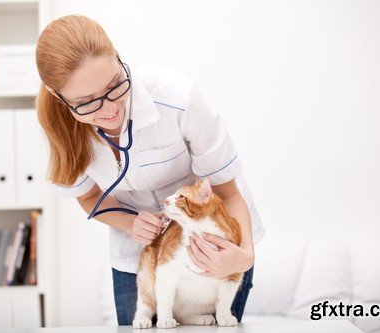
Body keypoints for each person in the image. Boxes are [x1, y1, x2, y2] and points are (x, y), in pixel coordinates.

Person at [35, 14, 265, 325]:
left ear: (117, 57)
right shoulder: (60, 133)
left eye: (115, 85)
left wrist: (244, 256)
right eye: (87, 103)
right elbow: (90, 199)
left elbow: (228, 191)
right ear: (58, 96)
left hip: (215, 248)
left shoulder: (178, 99)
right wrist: (130, 224)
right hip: (139, 257)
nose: (110, 109)